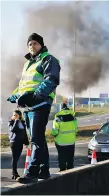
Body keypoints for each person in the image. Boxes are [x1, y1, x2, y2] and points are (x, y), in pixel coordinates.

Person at [7, 33, 61, 183]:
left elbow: (51, 79)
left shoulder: (48, 59)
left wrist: (36, 96)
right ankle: (44, 170)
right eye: (30, 44)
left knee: (36, 139)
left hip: (40, 104)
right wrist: (14, 96)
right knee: (39, 140)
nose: (32, 46)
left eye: (35, 43)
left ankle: (32, 173)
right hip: (29, 107)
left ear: (41, 45)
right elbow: (23, 86)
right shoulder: (27, 64)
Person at [51, 103, 78, 171]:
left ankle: (62, 171)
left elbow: (54, 132)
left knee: (61, 157)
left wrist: (54, 135)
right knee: (70, 158)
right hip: (71, 142)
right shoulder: (73, 118)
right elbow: (76, 130)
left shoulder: (57, 119)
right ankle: (70, 171)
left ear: (61, 109)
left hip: (60, 142)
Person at [8, 110, 29, 180]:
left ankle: (14, 173)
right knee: (14, 158)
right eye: (14, 115)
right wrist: (16, 121)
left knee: (17, 158)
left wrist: (26, 143)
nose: (15, 116)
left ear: (20, 115)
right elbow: (13, 130)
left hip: (20, 142)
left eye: (16, 115)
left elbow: (24, 133)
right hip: (14, 142)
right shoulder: (11, 122)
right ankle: (15, 173)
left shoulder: (22, 122)